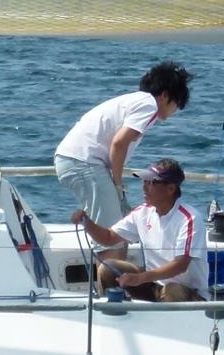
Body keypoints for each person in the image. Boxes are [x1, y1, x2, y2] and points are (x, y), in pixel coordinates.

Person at [54, 61, 192, 222]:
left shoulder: (135, 100)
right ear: (165, 96)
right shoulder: (149, 105)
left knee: (112, 222)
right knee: (112, 228)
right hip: (84, 161)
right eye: (177, 104)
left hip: (75, 159)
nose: (175, 110)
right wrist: (118, 185)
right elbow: (119, 143)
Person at [70, 158, 207, 301]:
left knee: (172, 290)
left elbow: (180, 265)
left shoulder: (189, 219)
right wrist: (87, 223)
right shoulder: (142, 213)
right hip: (153, 285)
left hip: (187, 292)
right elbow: (108, 238)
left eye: (151, 182)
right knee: (107, 268)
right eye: (144, 181)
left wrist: (141, 278)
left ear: (171, 189)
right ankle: (114, 312)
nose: (144, 187)